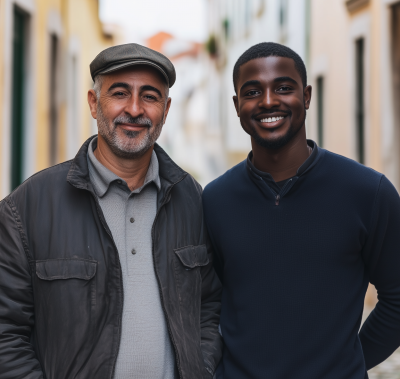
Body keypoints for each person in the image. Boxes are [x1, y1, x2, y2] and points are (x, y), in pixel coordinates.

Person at [0, 43, 222, 379]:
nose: (134, 109)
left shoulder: (192, 200)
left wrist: (200, 368)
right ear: (93, 103)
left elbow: (210, 308)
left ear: (166, 108)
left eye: (150, 96)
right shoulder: (26, 208)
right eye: (120, 93)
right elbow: (6, 333)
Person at [202, 42, 400, 379]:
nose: (268, 101)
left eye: (283, 87)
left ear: (306, 97)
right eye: (252, 91)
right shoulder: (215, 200)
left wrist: (348, 364)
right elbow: (211, 303)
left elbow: (397, 299)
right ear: (237, 106)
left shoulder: (369, 192)